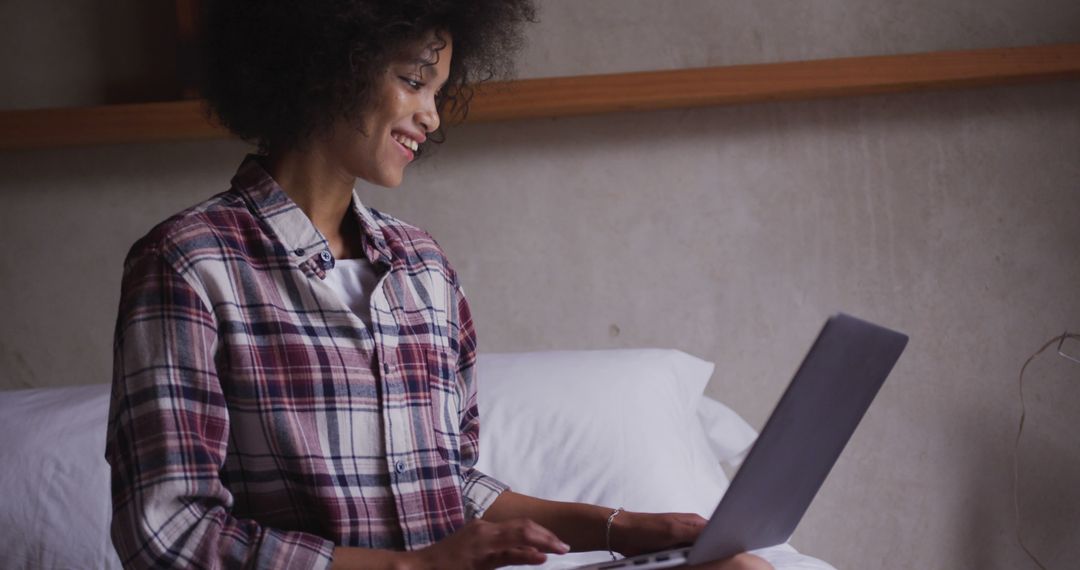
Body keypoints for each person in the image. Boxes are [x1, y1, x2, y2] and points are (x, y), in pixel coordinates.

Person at [105, 2, 773, 569]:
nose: (431, 116)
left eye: (438, 91)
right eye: (414, 80)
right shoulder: (188, 264)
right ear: (325, 67)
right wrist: (413, 567)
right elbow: (169, 534)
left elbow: (447, 486)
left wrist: (623, 529)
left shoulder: (423, 268)